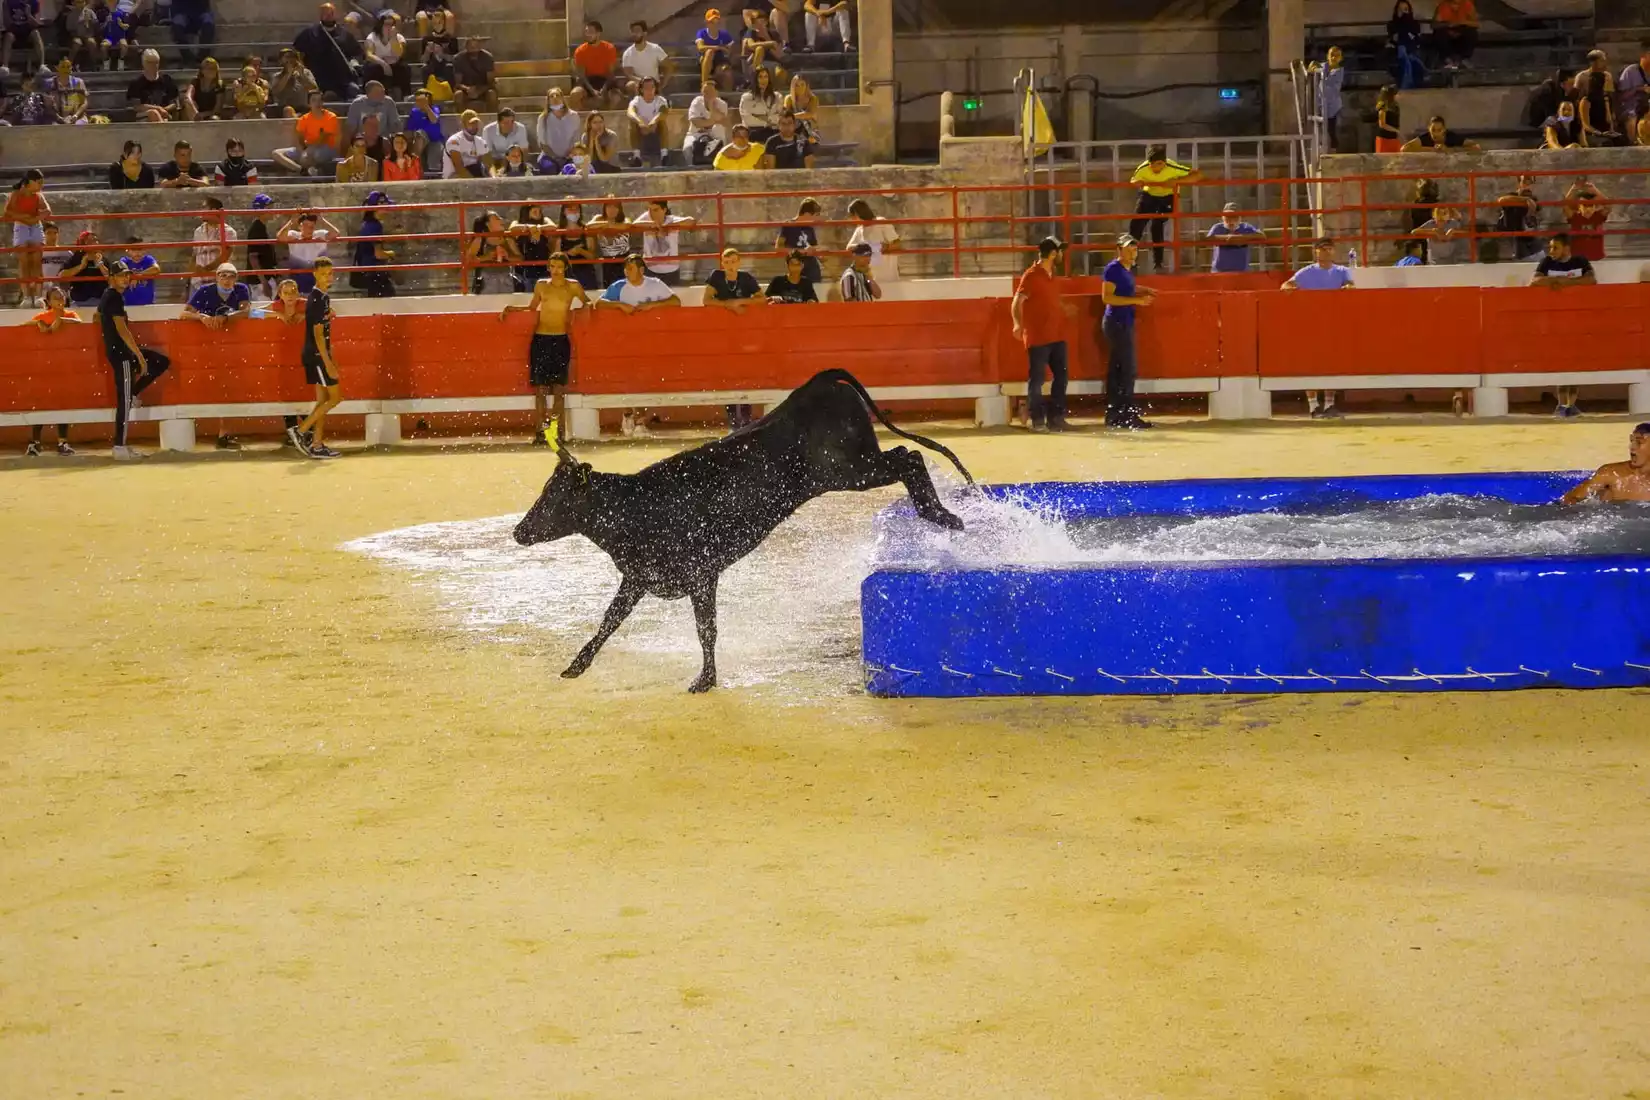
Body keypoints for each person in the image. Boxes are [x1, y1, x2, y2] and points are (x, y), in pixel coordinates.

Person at [499, 250, 590, 445]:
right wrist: (513, 309)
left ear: (565, 267)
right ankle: (540, 432)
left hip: (560, 339)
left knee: (558, 389)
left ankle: (557, 433)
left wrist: (576, 314)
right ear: (549, 268)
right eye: (552, 267)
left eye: (559, 266)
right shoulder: (541, 285)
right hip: (541, 339)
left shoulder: (573, 287)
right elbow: (533, 308)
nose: (556, 270)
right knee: (540, 389)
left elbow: (587, 303)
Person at [100, 258, 172, 460]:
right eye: (121, 275)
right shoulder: (113, 296)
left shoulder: (112, 296)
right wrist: (139, 356)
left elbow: (104, 319)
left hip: (122, 351)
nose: (125, 278)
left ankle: (134, 393)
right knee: (124, 402)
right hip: (121, 353)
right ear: (112, 278)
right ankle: (119, 446)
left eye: (126, 275)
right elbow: (122, 330)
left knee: (160, 362)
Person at [1281, 238, 1355, 419]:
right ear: (1316, 252)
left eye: (1330, 249)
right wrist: (1288, 288)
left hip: (1333, 322)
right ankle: (1313, 406)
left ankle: (1329, 403)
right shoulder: (1306, 272)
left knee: (1331, 362)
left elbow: (1351, 286)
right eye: (1323, 249)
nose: (1327, 252)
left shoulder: (1342, 271)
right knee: (1311, 363)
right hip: (1311, 323)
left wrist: (1348, 288)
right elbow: (1286, 285)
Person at [1012, 236, 1078, 432]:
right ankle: (1038, 420)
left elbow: (1049, 301)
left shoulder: (1051, 274)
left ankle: (1056, 419)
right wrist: (1017, 324)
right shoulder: (1031, 275)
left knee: (1060, 376)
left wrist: (1064, 308)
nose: (1061, 255)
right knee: (1038, 380)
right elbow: (1017, 301)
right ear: (1052, 253)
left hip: (1056, 334)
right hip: (1038, 336)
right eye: (1059, 251)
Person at [1529, 231, 1596, 418]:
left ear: (1566, 248)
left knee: (1574, 360)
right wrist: (1556, 281)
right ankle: (1561, 404)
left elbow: (1591, 280)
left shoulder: (1580, 261)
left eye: (1555, 247)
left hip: (1576, 318)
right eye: (1550, 247)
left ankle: (1571, 404)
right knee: (1559, 360)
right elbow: (1534, 282)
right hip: (1554, 320)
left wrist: (1564, 282)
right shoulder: (1547, 263)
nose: (1551, 251)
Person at [288, 256, 342, 458]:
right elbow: (318, 334)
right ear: (315, 275)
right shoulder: (319, 298)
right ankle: (300, 431)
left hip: (316, 354)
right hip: (317, 355)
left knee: (322, 401)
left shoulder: (320, 297)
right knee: (336, 397)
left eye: (330, 273)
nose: (328, 277)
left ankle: (317, 445)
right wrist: (328, 362)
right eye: (323, 274)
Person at [704, 247, 764, 427]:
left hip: (743, 334)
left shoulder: (745, 278)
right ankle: (733, 420)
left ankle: (745, 419)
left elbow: (762, 299)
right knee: (728, 376)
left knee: (745, 374)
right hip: (722, 334)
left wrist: (740, 301)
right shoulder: (716, 276)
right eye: (726, 262)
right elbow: (706, 300)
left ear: (739, 262)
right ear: (722, 263)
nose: (729, 265)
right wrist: (728, 305)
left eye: (733, 262)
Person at [1128, 145, 1201, 272]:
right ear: (1149, 163)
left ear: (1165, 162)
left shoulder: (1171, 166)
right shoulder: (1143, 168)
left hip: (1167, 197)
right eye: (1153, 165)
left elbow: (1197, 175)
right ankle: (1131, 262)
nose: (1156, 168)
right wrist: (1136, 183)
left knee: (1157, 225)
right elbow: (1133, 180)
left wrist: (1177, 182)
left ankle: (1158, 264)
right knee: (1136, 226)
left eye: (1160, 164)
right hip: (1149, 194)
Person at [25, 285, 77, 456]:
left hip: (63, 366)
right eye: (56, 297)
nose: (60, 300)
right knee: (41, 403)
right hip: (44, 367)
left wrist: (62, 321)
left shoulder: (70, 315)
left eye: (61, 297)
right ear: (48, 301)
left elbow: (81, 325)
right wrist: (38, 323)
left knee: (63, 402)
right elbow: (24, 326)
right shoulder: (42, 316)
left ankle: (62, 442)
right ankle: (35, 443)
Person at [292, 2, 362, 101]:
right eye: (325, 13)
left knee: (354, 91)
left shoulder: (344, 34)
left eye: (331, 13)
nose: (328, 16)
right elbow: (297, 51)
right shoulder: (310, 33)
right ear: (320, 15)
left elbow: (355, 53)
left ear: (335, 14)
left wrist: (355, 64)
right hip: (318, 80)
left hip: (342, 80)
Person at [1562, 424, 1650, 503]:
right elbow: (1570, 498)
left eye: (1639, 442)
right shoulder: (1611, 474)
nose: (1632, 447)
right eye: (1632, 441)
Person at [4, 167, 50, 307]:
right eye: (39, 183)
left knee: (37, 259)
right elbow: (8, 212)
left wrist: (35, 218)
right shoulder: (16, 194)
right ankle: (26, 296)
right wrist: (25, 218)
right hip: (21, 226)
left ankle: (38, 296)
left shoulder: (39, 195)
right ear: (30, 182)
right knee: (23, 260)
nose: (41, 186)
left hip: (35, 226)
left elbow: (47, 210)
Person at [273, 90, 340, 176]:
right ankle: (301, 170)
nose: (317, 103)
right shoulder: (304, 119)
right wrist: (302, 150)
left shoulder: (331, 117)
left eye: (320, 100)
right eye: (314, 100)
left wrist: (306, 152)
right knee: (276, 153)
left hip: (325, 148)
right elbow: (299, 138)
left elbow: (322, 139)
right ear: (309, 104)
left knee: (314, 155)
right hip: (307, 148)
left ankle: (311, 172)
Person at [632, 198, 695, 285]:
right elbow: (634, 225)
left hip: (671, 269)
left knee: (671, 296)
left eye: (656, 210)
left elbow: (691, 221)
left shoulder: (672, 219)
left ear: (664, 210)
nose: (652, 213)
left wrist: (669, 227)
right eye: (649, 209)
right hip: (651, 269)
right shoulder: (646, 218)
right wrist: (655, 226)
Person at [278, 208, 339, 293]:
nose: (309, 229)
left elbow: (335, 233)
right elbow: (280, 237)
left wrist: (322, 219)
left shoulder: (320, 234)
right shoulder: (294, 235)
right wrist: (291, 221)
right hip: (298, 280)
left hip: (318, 280)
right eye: (305, 225)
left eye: (312, 226)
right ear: (299, 226)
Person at [570, 19, 622, 111]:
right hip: (588, 81)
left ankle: (607, 120)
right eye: (586, 32)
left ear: (598, 33)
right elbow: (581, 75)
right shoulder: (580, 51)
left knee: (616, 98)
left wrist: (603, 89)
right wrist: (592, 90)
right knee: (575, 94)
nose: (588, 35)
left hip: (605, 80)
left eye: (591, 32)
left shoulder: (609, 48)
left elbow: (610, 73)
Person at [846, 198, 901, 284]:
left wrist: (886, 247)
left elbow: (897, 243)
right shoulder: (859, 229)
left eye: (851, 216)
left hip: (888, 277)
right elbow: (849, 248)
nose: (850, 219)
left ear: (857, 214)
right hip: (870, 279)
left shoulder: (881, 223)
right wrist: (865, 248)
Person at [468, 210, 520, 295]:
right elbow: (468, 261)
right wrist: (486, 257)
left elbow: (520, 258)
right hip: (486, 280)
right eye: (496, 218)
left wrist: (508, 257)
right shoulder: (480, 240)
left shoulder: (508, 239)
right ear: (487, 224)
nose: (501, 220)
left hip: (506, 280)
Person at [363, 11, 411, 98]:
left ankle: (406, 96)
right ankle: (367, 95)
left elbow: (399, 54)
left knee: (405, 68)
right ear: (380, 25)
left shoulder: (399, 37)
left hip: (394, 64)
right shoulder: (372, 37)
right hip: (379, 64)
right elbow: (369, 55)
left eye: (392, 24)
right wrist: (384, 64)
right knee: (371, 68)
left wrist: (393, 38)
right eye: (386, 24)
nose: (389, 27)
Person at [1206, 202, 1264, 273]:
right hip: (1219, 272)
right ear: (1222, 218)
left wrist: (1239, 237)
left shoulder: (1246, 227)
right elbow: (1208, 239)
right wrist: (1227, 237)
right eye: (1227, 217)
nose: (1231, 220)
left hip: (1241, 272)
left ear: (1240, 218)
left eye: (1234, 217)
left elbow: (1262, 236)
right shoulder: (1217, 227)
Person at [776, 197, 823, 282]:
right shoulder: (788, 225)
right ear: (807, 214)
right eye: (816, 215)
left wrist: (820, 250)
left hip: (812, 269)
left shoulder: (810, 228)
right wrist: (801, 251)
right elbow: (779, 248)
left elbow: (814, 247)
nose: (816, 219)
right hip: (795, 267)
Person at [243, 193, 280, 300]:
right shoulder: (257, 229)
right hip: (259, 282)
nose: (272, 211)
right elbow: (253, 257)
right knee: (263, 311)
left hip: (264, 279)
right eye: (269, 208)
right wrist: (264, 282)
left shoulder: (260, 227)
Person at [587, 197, 632, 287]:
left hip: (624, 260)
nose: (612, 210)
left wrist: (607, 225)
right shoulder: (599, 218)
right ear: (605, 208)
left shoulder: (624, 219)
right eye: (609, 207)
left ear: (619, 209)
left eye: (615, 207)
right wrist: (606, 223)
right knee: (609, 288)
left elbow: (627, 225)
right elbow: (589, 225)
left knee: (627, 287)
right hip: (608, 261)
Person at [535, 88, 581, 174]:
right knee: (550, 168)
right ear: (548, 101)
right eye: (551, 96)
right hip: (549, 156)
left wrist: (569, 155)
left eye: (557, 95)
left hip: (571, 156)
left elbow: (577, 140)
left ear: (563, 98)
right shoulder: (543, 118)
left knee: (577, 168)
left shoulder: (574, 116)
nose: (555, 98)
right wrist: (555, 157)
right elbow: (542, 143)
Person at [1494, 175, 1540, 260]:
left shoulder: (1533, 198)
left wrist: (1527, 200)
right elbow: (1501, 200)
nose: (1528, 185)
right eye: (1525, 182)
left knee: (1539, 256)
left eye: (1530, 182)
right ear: (1519, 184)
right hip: (1514, 238)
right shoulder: (1513, 196)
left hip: (1530, 237)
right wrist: (1524, 199)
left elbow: (1535, 207)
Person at [1308, 46, 1345, 152]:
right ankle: (1320, 151)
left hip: (1332, 106)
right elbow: (1311, 69)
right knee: (1318, 130)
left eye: (1337, 56)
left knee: (1331, 130)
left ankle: (1333, 152)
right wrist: (1313, 65)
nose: (1333, 58)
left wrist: (1316, 69)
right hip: (1320, 103)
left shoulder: (1339, 71)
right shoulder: (1324, 66)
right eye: (1331, 55)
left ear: (1340, 58)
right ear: (1327, 56)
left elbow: (1326, 80)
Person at [621, 20, 671, 98]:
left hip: (654, 83)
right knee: (631, 85)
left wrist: (663, 83)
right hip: (638, 83)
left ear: (644, 33)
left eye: (637, 31)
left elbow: (668, 66)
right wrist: (643, 82)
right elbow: (629, 74)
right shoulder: (628, 53)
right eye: (633, 31)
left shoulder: (655, 49)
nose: (635, 34)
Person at [627, 77, 669, 166]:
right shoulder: (637, 100)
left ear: (655, 88)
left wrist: (654, 122)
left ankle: (664, 155)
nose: (649, 91)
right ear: (641, 90)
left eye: (652, 87)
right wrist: (640, 122)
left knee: (662, 122)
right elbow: (630, 112)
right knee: (632, 123)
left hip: (656, 128)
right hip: (641, 129)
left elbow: (664, 112)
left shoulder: (661, 100)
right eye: (646, 88)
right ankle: (636, 156)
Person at [685, 79, 731, 162]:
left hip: (715, 136)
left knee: (718, 128)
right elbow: (696, 123)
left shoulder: (722, 104)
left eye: (711, 91)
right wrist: (714, 121)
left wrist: (711, 106)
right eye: (705, 91)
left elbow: (724, 121)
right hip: (696, 134)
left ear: (716, 92)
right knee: (687, 148)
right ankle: (692, 169)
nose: (707, 94)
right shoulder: (696, 102)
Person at [739, 7, 786, 89]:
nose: (759, 25)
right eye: (757, 22)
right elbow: (751, 45)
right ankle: (754, 84)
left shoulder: (773, 34)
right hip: (753, 64)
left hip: (772, 63)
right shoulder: (750, 33)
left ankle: (775, 91)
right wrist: (770, 43)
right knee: (759, 49)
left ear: (766, 22)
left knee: (781, 73)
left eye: (762, 21)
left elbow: (780, 55)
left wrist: (767, 37)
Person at [126, 48, 177, 122]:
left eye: (156, 62)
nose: (154, 65)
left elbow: (174, 103)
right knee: (153, 113)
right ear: (144, 63)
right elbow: (137, 106)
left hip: (165, 113)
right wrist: (158, 109)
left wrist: (164, 110)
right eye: (150, 62)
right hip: (144, 115)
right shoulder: (136, 83)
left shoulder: (167, 80)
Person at [63, 229, 111, 307]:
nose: (95, 243)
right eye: (91, 240)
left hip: (100, 300)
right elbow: (62, 275)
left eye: (96, 240)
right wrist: (81, 267)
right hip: (79, 301)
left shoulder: (103, 259)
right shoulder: (76, 258)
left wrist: (100, 264)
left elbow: (111, 279)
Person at [556, 201, 598, 290]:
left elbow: (593, 257)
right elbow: (554, 257)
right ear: (564, 211)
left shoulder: (587, 231)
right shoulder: (558, 232)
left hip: (586, 275)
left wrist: (581, 251)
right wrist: (568, 253)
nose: (574, 211)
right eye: (570, 208)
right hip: (565, 275)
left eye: (576, 208)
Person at [1564, 179, 1608, 262]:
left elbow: (1609, 205)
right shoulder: (1575, 217)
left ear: (1595, 206)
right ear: (1579, 207)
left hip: (1597, 259)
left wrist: (1595, 190)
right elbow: (1565, 206)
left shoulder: (1598, 216)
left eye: (1591, 205)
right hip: (1578, 261)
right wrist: (1573, 189)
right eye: (1585, 205)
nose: (1588, 209)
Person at [511, 203, 553, 288]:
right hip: (526, 267)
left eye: (539, 211)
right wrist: (529, 227)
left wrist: (539, 228)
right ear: (527, 212)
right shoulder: (518, 222)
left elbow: (553, 226)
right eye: (535, 211)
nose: (538, 214)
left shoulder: (544, 221)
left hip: (543, 265)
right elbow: (512, 228)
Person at [453, 34, 497, 113]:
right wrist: (467, 89)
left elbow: (491, 82)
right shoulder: (458, 59)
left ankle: (492, 118)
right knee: (458, 95)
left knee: (492, 94)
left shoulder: (487, 58)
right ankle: (461, 120)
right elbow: (457, 83)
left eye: (475, 46)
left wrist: (479, 91)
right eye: (471, 47)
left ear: (480, 47)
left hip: (483, 90)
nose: (473, 49)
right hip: (465, 90)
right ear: (466, 47)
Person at [479, 105, 530, 172]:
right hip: (495, 162)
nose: (510, 126)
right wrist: (494, 174)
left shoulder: (521, 128)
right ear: (499, 122)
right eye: (506, 123)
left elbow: (524, 151)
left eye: (512, 122)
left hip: (514, 161)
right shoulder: (488, 130)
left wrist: (507, 167)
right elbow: (487, 156)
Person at [1387, 0, 1424, 89]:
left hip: (1412, 48)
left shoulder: (1415, 24)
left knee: (1407, 57)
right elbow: (1395, 38)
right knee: (1405, 53)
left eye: (1405, 9)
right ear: (1396, 11)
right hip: (1397, 50)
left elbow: (1416, 39)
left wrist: (1406, 21)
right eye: (1400, 10)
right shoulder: (1392, 24)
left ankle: (1406, 86)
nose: (1403, 12)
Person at [2, 0, 46, 76]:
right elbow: (6, 23)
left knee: (36, 33)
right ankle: (5, 67)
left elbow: (37, 24)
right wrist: (16, 25)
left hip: (28, 31)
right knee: (8, 36)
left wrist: (29, 15)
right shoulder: (8, 2)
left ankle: (42, 65)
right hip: (14, 30)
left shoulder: (34, 3)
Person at [269, 48, 316, 117]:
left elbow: (313, 88)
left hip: (302, 108)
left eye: (293, 56)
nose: (291, 59)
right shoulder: (277, 76)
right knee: (287, 111)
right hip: (283, 109)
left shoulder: (306, 72)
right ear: (280, 60)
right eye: (287, 57)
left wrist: (302, 75)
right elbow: (275, 91)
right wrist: (288, 74)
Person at [695, 7, 734, 89]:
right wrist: (718, 47)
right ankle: (704, 84)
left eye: (717, 22)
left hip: (719, 61)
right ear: (707, 22)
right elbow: (700, 47)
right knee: (709, 52)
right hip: (705, 60)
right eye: (712, 22)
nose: (715, 24)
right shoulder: (702, 33)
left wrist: (727, 53)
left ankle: (728, 96)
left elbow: (731, 50)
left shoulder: (724, 34)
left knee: (727, 73)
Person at [1432, 0, 1478, 69]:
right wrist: (1448, 25)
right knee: (1439, 34)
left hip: (1462, 31)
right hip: (1447, 31)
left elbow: (1475, 24)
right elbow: (1434, 25)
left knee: (1472, 33)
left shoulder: (1467, 5)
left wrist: (1461, 23)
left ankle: (1464, 59)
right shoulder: (1443, 6)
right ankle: (1447, 60)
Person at [740, 64, 781, 142]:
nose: (763, 80)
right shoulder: (746, 98)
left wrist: (759, 116)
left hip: (773, 132)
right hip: (754, 133)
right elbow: (748, 120)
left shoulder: (777, 97)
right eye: (760, 77)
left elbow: (779, 118)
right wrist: (768, 121)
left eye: (766, 77)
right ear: (755, 79)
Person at [1579, 70, 1620, 146]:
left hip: (1606, 133)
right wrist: (1599, 133)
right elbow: (1585, 125)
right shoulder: (1586, 101)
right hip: (1592, 134)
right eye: (1608, 80)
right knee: (1606, 143)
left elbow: (1609, 120)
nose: (1611, 83)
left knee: (1622, 140)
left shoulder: (1608, 98)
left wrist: (1611, 131)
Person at [1618, 45, 1650, 141]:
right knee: (1632, 117)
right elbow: (1621, 97)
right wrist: (1638, 89)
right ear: (1643, 57)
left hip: (1647, 107)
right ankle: (1633, 143)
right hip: (1631, 107)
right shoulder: (1630, 71)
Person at [170, 0, 214, 67]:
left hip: (201, 11)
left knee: (208, 22)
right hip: (181, 12)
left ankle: (203, 57)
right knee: (177, 26)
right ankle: (188, 58)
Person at [443, 108, 486, 177]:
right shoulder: (454, 141)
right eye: (471, 123)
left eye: (476, 123)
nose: (475, 126)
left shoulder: (480, 141)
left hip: (473, 176)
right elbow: (459, 168)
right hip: (453, 178)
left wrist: (494, 178)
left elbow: (488, 163)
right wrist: (476, 183)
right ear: (463, 124)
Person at [1401, 114, 1480, 151]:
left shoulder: (1452, 137)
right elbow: (1404, 149)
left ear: (1444, 130)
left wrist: (1450, 150)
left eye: (1439, 130)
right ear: (1429, 129)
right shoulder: (1425, 138)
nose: (1436, 133)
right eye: (1433, 130)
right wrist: (1431, 150)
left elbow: (1476, 147)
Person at [119, 234, 160, 306]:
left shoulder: (148, 259)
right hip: (128, 304)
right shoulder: (124, 260)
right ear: (128, 250)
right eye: (134, 249)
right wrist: (135, 277)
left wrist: (138, 276)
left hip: (148, 303)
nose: (137, 252)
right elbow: (122, 272)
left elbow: (156, 269)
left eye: (140, 249)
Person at [179, 56, 223, 121]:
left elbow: (217, 110)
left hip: (210, 114)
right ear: (202, 70)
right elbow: (187, 97)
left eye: (213, 68)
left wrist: (201, 114)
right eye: (207, 68)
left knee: (214, 118)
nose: (210, 71)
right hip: (195, 113)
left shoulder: (219, 85)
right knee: (188, 103)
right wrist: (196, 112)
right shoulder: (196, 81)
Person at [47, 55, 88, 124]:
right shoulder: (50, 83)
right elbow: (47, 106)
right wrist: (59, 118)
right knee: (54, 128)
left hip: (77, 118)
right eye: (63, 67)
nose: (66, 69)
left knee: (79, 126)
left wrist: (75, 116)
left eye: (68, 67)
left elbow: (84, 103)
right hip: (57, 119)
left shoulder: (78, 82)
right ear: (57, 67)